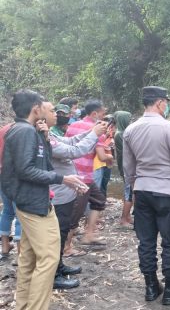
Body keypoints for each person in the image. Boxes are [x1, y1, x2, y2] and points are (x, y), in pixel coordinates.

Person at [0, 90, 86, 310]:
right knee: (48, 259)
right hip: (33, 205)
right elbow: (25, 170)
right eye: (47, 108)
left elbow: (44, 165)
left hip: (34, 202)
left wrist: (45, 139)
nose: (53, 113)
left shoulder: (31, 132)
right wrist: (62, 178)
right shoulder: (23, 132)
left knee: (29, 260)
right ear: (36, 109)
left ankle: (23, 305)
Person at [123, 86, 170, 305]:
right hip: (167, 192)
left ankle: (150, 287)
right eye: (166, 102)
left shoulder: (130, 129)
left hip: (142, 190)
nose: (167, 106)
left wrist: (134, 189)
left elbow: (128, 167)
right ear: (159, 103)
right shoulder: (168, 128)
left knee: (146, 242)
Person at [43, 101, 107, 289]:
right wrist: (94, 134)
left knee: (62, 230)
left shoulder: (50, 135)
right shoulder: (41, 137)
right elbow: (74, 151)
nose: (57, 113)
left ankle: (59, 266)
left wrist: (91, 132)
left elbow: (70, 141)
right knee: (59, 232)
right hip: (59, 193)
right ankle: (53, 275)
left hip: (65, 191)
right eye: (52, 110)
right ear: (39, 113)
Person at [65, 100, 108, 247]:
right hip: (84, 176)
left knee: (98, 200)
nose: (104, 117)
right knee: (76, 211)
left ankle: (89, 234)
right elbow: (102, 156)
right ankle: (66, 247)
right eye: (103, 114)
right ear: (95, 114)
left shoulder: (73, 125)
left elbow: (68, 145)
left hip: (71, 172)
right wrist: (110, 157)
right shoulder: (97, 130)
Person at [0, 122, 21, 260]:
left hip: (2, 174)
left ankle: (5, 246)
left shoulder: (4, 128)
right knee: (20, 214)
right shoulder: (24, 129)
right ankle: (21, 255)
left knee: (7, 210)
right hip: (15, 176)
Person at [113, 111, 134, 227]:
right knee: (129, 194)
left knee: (129, 192)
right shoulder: (120, 135)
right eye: (129, 119)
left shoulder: (122, 133)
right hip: (127, 169)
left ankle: (128, 216)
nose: (130, 122)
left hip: (125, 167)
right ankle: (123, 219)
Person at [93, 114, 114, 197]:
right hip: (100, 162)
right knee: (98, 185)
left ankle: (102, 199)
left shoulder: (110, 131)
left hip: (103, 162)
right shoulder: (100, 133)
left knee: (104, 181)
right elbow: (101, 151)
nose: (108, 125)